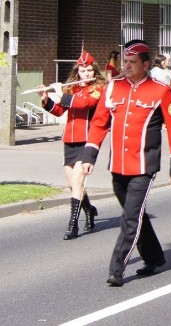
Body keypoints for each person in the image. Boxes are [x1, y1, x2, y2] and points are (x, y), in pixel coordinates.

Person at [81, 39, 171, 287]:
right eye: (125, 61)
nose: (126, 66)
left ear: (146, 64)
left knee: (130, 218)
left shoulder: (161, 90)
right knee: (135, 215)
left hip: (143, 166)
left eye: (132, 62)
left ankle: (116, 269)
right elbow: (99, 122)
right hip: (118, 164)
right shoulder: (113, 87)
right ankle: (155, 257)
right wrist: (89, 155)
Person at [38, 51, 105, 240]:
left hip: (87, 141)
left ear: (94, 71)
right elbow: (59, 111)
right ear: (78, 72)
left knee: (77, 182)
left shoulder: (99, 88)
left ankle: (73, 225)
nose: (86, 74)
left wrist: (61, 94)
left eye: (89, 70)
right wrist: (46, 98)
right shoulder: (72, 89)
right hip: (70, 140)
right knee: (71, 184)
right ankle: (90, 210)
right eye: (83, 71)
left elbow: (85, 104)